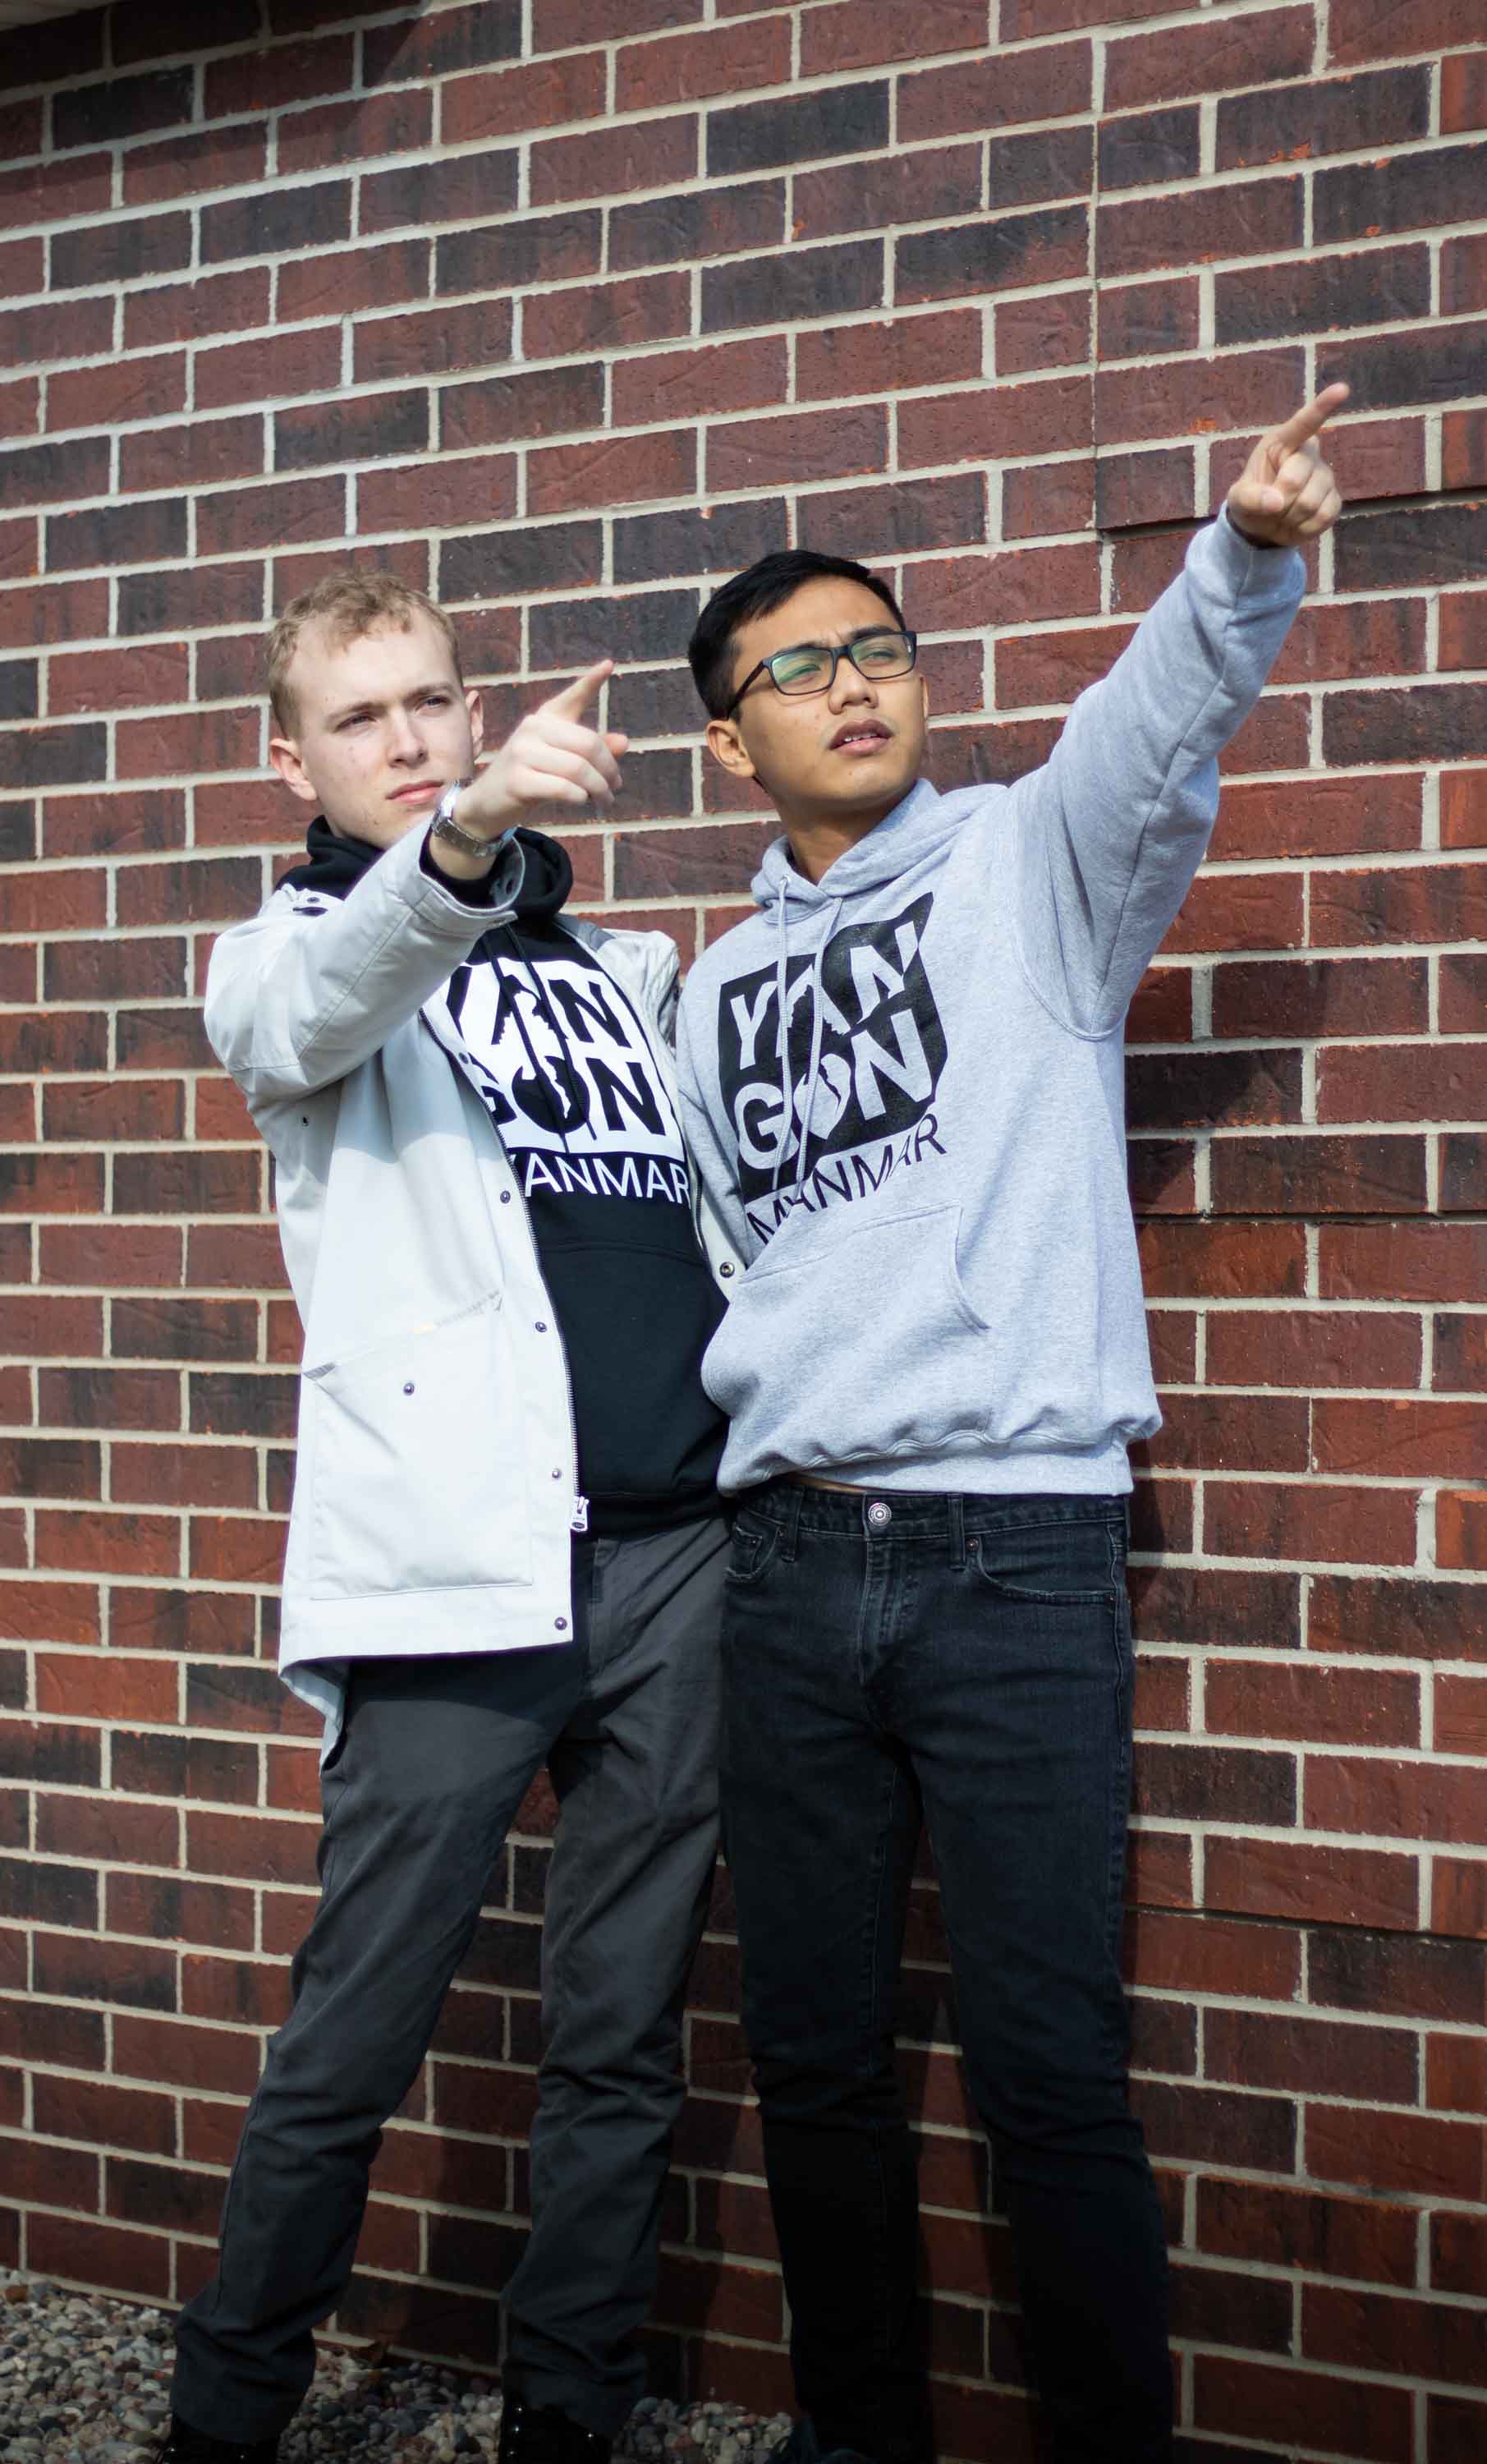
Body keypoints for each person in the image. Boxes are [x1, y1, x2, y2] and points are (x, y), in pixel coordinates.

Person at [673, 391, 1347, 2464]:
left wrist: (1240, 557)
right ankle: (856, 2434)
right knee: (815, 2062)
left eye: (878, 647)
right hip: (790, 1562)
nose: (851, 684)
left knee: (1051, 2074)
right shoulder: (708, 992)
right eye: (798, 667)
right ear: (730, 744)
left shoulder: (1034, 873)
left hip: (1014, 1558)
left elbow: (1157, 733)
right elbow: (730, 1252)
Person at [159, 572, 737, 2464]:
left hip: (676, 1556)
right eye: (359, 718)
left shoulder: (616, 967)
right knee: (353, 2037)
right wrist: (471, 839)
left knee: (622, 2037)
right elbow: (331, 997)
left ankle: (567, 2415)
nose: (405, 741)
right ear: (294, 763)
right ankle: (227, 2420)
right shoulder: (283, 958)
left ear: (474, 711)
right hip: (454, 1575)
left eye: (432, 703)